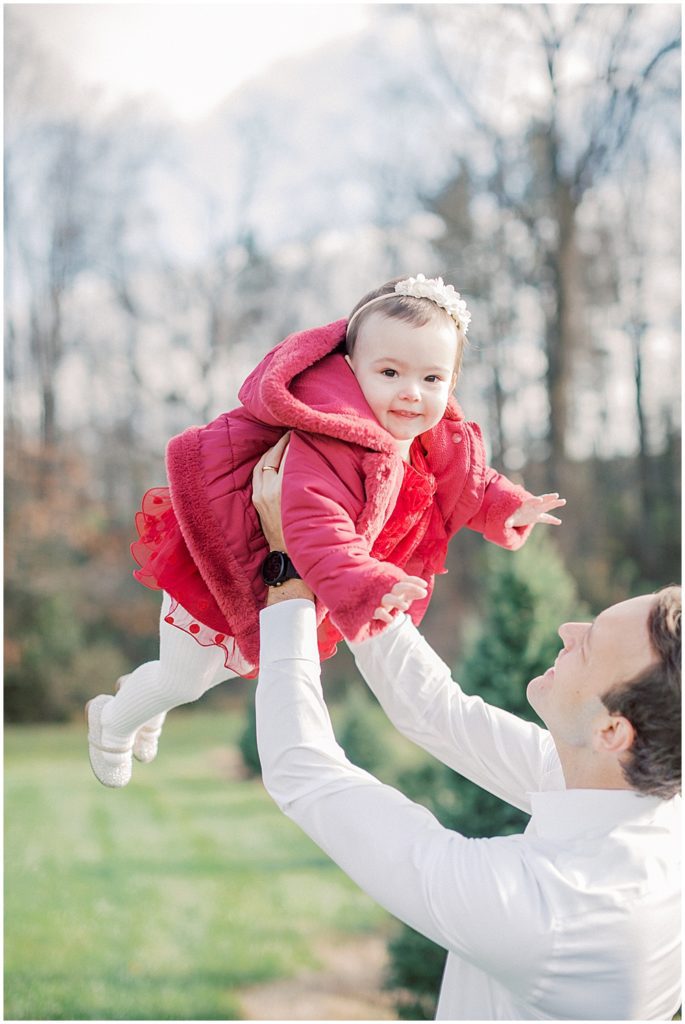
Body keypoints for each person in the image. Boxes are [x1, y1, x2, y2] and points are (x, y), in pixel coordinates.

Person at [252, 439, 681, 1021]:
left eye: (592, 643)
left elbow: (306, 774)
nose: (567, 628)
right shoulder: (628, 792)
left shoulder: (555, 913)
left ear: (613, 731)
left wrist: (286, 575)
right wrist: (346, 564)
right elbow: (436, 712)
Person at [87, 274, 565, 787]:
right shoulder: (331, 441)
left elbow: (469, 482)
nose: (411, 393)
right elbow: (317, 528)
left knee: (218, 671)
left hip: (290, 584)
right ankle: (111, 721)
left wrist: (508, 508)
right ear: (350, 369)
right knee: (186, 677)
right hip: (225, 568)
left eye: (432, 379)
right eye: (389, 372)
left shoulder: (433, 437)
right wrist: (369, 583)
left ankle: (145, 697)